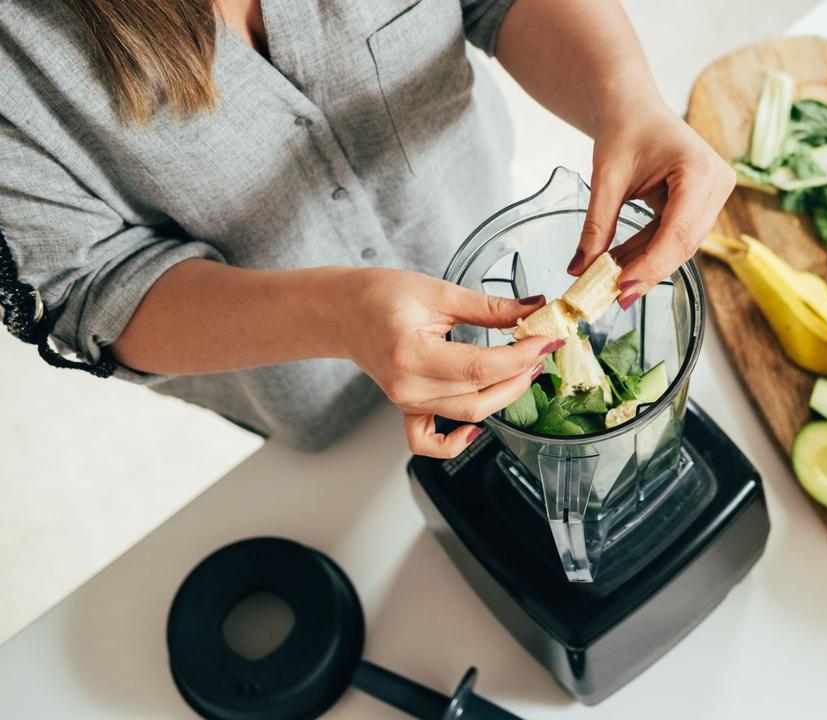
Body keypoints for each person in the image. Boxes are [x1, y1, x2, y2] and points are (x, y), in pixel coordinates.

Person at [0, 0, 734, 457]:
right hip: (297, 383)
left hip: (468, 220)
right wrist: (340, 316)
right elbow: (91, 285)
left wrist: (627, 96)